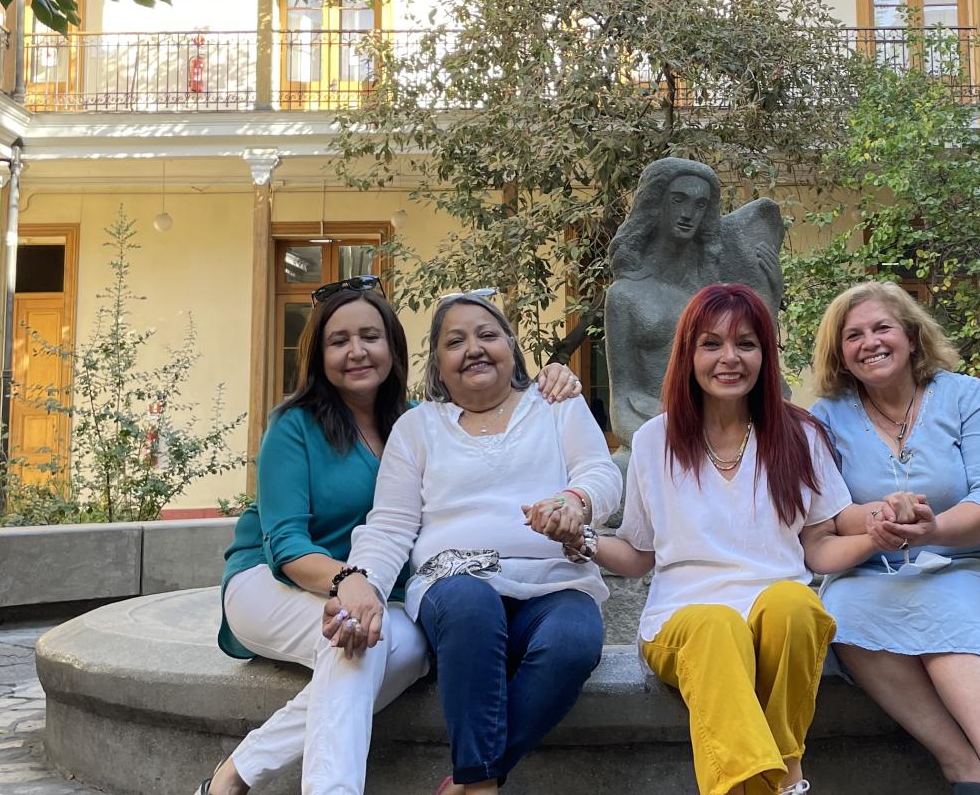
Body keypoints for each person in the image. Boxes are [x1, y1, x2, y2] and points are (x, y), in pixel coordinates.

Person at [200, 278, 583, 795]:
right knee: (350, 640)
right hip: (270, 583)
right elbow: (286, 545)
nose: (356, 352)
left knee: (410, 652)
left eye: (370, 337)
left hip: (363, 585)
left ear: (393, 348)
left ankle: (237, 770)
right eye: (339, 341)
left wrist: (553, 376)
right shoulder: (294, 425)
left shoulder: (415, 423)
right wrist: (350, 583)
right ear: (319, 353)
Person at [577, 283, 885, 795]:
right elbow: (637, 556)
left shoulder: (799, 435)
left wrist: (877, 536)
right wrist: (581, 539)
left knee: (798, 605)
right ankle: (787, 777)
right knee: (718, 626)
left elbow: (819, 549)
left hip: (773, 622)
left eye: (746, 343)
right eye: (711, 344)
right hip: (685, 623)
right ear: (688, 354)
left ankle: (765, 778)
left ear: (765, 354)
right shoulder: (656, 438)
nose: (729, 358)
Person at [331, 291, 621, 795]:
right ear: (438, 367)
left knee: (573, 644)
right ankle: (482, 787)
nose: (474, 349)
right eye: (455, 341)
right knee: (471, 603)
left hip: (555, 581)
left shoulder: (556, 406)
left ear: (511, 348)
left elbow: (600, 472)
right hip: (455, 583)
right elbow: (392, 525)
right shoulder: (418, 427)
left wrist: (575, 501)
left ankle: (469, 781)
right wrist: (361, 582)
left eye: (488, 335)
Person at [808, 281, 980, 795]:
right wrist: (882, 519)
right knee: (839, 613)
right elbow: (833, 517)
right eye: (853, 335)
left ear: (909, 334)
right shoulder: (827, 416)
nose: (870, 343)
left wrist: (934, 528)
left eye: (882, 327)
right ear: (840, 352)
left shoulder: (967, 395)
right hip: (880, 572)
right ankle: (962, 766)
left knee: (949, 604)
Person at [605, 157, 783, 448]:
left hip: (730, 430)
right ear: (656, 203)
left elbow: (756, 359)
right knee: (625, 471)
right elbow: (622, 402)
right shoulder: (625, 295)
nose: (689, 213)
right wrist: (661, 447)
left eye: (700, 205)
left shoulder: (718, 292)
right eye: (678, 200)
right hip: (658, 431)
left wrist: (772, 293)